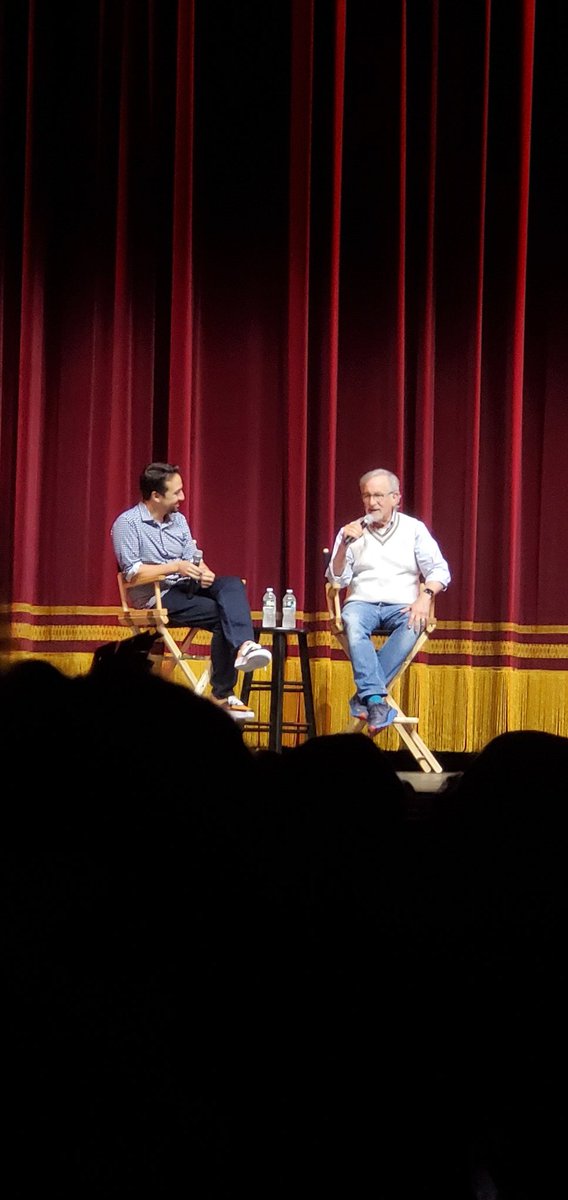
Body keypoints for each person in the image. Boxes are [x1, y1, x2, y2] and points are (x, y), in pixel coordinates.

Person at [111, 462, 271, 720]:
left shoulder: (179, 521)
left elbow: (191, 558)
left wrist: (203, 571)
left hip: (186, 585)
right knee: (223, 615)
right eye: (176, 493)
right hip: (157, 595)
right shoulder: (127, 524)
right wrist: (176, 566)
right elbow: (132, 572)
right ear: (156, 496)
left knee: (230, 584)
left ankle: (245, 646)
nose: (183, 498)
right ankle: (222, 694)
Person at [326, 468, 450, 735]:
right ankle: (376, 700)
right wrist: (344, 546)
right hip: (362, 602)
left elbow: (440, 571)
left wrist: (424, 597)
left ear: (396, 498)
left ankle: (366, 697)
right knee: (353, 622)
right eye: (367, 496)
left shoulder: (414, 529)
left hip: (402, 604)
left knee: (414, 621)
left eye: (379, 496)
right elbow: (338, 579)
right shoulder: (351, 531)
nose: (373, 503)